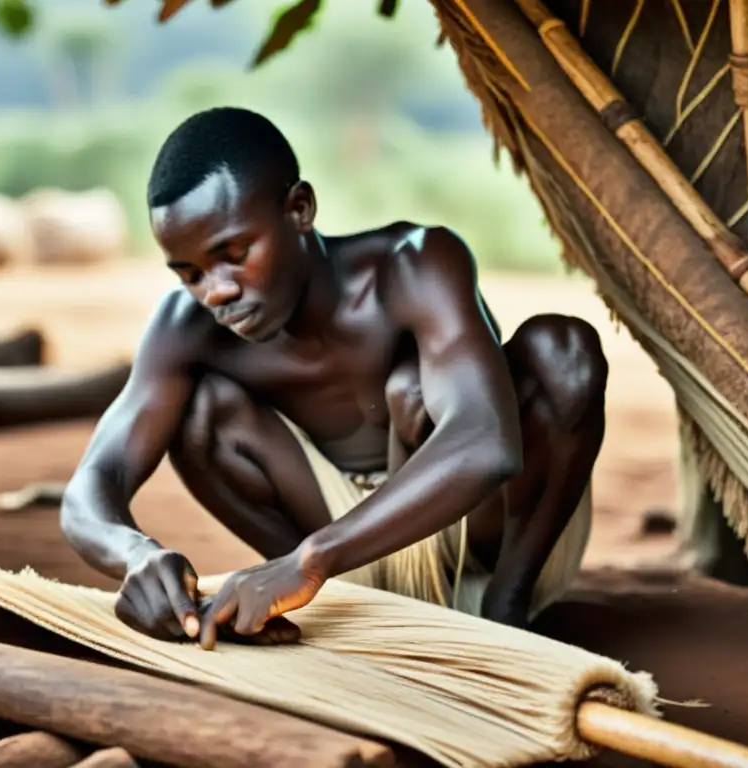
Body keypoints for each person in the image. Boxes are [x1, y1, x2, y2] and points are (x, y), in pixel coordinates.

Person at [60, 106, 608, 651]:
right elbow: (92, 485)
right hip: (339, 568)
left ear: (299, 209)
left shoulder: (413, 264)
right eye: (192, 274)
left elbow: (487, 443)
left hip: (482, 535)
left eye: (234, 254)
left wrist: (313, 557)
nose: (217, 292)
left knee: (555, 353)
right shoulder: (187, 328)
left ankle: (507, 609)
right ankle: (332, 604)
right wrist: (135, 552)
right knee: (199, 409)